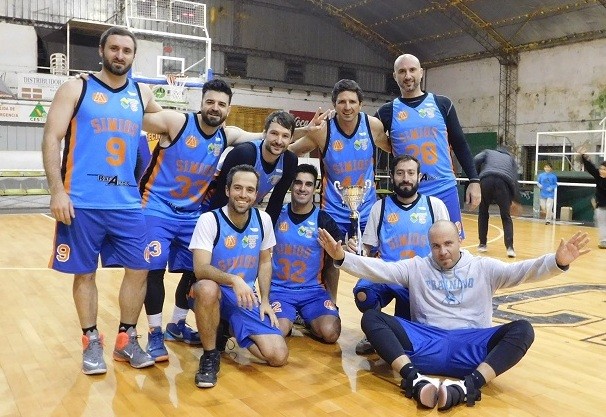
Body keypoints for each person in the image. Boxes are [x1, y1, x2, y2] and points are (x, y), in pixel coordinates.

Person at [318, 220, 589, 411]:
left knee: (523, 329)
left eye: (448, 243)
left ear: (460, 238)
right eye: (436, 246)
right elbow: (379, 270)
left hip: (470, 345)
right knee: (372, 319)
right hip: (425, 343)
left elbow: (523, 271)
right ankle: (413, 379)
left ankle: (469, 386)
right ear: (429, 246)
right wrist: (342, 257)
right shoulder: (417, 267)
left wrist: (557, 262)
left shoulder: (483, 267)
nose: (443, 251)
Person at [41, 26, 162, 374]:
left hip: (126, 203)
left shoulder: (141, 93)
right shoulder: (75, 88)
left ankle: (126, 339)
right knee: (84, 274)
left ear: (133, 56)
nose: (120, 55)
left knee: (140, 269)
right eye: (114, 49)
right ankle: (91, 340)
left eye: (127, 50)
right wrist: (56, 191)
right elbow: (52, 138)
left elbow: (168, 123)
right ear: (102, 51)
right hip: (82, 202)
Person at [135, 79, 261, 361]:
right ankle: (155, 334)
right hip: (157, 207)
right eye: (210, 102)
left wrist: (307, 131)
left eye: (221, 104)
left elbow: (268, 136)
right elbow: (136, 116)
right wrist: (138, 92)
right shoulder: (176, 122)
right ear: (201, 103)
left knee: (197, 270)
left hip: (192, 214)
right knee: (153, 271)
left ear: (228, 108)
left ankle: (176, 324)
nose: (215, 108)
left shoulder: (226, 136)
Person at [189, 164, 288, 388]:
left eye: (250, 190)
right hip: (215, 292)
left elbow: (264, 261)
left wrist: (264, 300)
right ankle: (210, 355)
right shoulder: (209, 220)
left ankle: (227, 327)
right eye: (238, 188)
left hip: (245, 297)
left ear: (256, 194)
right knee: (206, 288)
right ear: (227, 190)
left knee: (278, 356)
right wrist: (234, 279)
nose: (243, 194)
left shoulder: (263, 220)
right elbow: (200, 269)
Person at [351, 155, 449, 354]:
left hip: (419, 278)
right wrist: (355, 252)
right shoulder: (380, 207)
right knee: (363, 294)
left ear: (419, 177)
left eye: (411, 173)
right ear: (391, 176)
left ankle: (390, 330)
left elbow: (449, 248)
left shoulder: (434, 206)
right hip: (388, 275)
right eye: (400, 173)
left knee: (408, 338)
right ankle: (373, 333)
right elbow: (367, 249)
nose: (406, 178)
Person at [375, 54, 481, 237]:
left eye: (412, 70)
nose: (408, 75)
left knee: (448, 248)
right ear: (395, 76)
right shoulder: (387, 111)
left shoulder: (442, 104)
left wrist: (474, 180)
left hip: (443, 188)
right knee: (411, 246)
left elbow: (460, 144)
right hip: (407, 192)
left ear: (421, 73)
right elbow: (366, 134)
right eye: (402, 71)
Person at [290, 79, 391, 238]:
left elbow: (395, 149)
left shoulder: (373, 126)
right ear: (334, 104)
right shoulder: (323, 131)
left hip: (367, 210)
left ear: (361, 104)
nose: (347, 107)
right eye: (342, 102)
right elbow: (290, 150)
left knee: (368, 260)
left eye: (352, 101)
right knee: (334, 261)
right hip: (333, 212)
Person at [269, 164, 343, 343]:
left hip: (313, 292)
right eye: (298, 183)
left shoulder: (324, 220)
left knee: (330, 333)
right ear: (291, 185)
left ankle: (307, 318)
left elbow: (334, 263)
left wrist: (332, 299)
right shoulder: (276, 214)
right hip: (280, 290)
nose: (303, 188)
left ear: (315, 188)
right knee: (278, 332)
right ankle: (291, 317)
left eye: (308, 184)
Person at [202, 110, 298, 225]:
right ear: (264, 133)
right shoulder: (245, 153)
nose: (279, 141)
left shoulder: (290, 161)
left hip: (240, 210)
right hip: (207, 207)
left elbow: (276, 202)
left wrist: (266, 235)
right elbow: (221, 196)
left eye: (285, 136)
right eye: (274, 133)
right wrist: (218, 227)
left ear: (291, 139)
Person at [474, 147, 522, 258]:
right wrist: (516, 200)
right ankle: (510, 248)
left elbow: (476, 159)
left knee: (483, 212)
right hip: (504, 182)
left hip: (486, 179)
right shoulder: (510, 159)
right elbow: (515, 179)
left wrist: (475, 177)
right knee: (506, 217)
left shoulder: (488, 152)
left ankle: (482, 244)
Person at [578, 148, 606, 248]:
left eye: (604, 169)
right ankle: (603, 241)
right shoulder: (598, 176)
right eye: (601, 169)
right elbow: (590, 167)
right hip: (601, 206)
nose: (602, 171)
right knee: (601, 223)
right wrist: (584, 156)